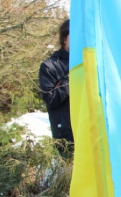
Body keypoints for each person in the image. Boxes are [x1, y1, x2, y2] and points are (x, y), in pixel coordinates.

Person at [39, 19, 73, 154]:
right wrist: (71, 79)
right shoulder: (49, 66)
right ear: (64, 38)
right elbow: (50, 98)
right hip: (65, 134)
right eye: (74, 35)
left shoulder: (89, 62)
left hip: (89, 129)